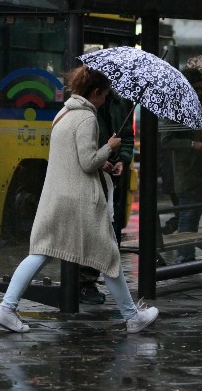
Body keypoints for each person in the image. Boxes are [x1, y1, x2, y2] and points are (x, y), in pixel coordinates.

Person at [0, 65, 158, 334]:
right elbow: (88, 161)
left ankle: (6, 308)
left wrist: (103, 163)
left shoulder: (63, 113)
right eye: (104, 95)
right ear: (96, 92)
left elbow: (73, 158)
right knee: (108, 257)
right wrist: (110, 148)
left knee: (40, 254)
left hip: (57, 198)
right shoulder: (86, 118)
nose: (105, 100)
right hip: (80, 201)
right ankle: (132, 317)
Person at [79, 88, 135, 304]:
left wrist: (122, 159)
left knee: (111, 231)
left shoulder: (119, 102)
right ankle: (86, 281)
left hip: (113, 176)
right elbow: (83, 149)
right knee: (94, 229)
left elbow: (127, 138)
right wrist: (101, 159)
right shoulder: (83, 108)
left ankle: (125, 305)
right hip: (93, 173)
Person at [160, 68, 202, 263]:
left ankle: (190, 254)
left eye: (201, 89)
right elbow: (166, 139)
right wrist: (192, 144)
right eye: (195, 89)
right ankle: (185, 256)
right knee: (187, 216)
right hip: (186, 172)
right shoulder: (176, 110)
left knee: (192, 217)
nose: (199, 93)